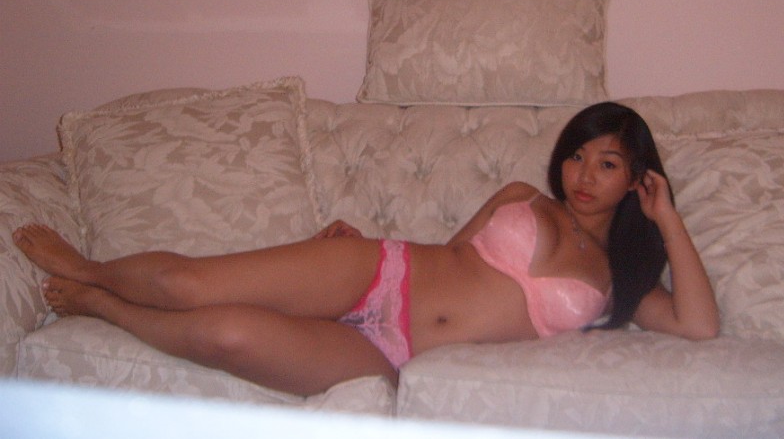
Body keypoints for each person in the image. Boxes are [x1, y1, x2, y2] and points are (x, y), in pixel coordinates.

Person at [13, 102, 719, 397]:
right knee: (191, 286)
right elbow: (451, 254)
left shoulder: (619, 282)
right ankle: (89, 267)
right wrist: (340, 252)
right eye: (577, 156)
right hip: (382, 270)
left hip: (393, 354)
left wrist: (668, 217)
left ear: (636, 177)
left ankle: (105, 306)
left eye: (608, 163)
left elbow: (698, 325)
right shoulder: (520, 196)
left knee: (224, 334)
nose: (584, 175)